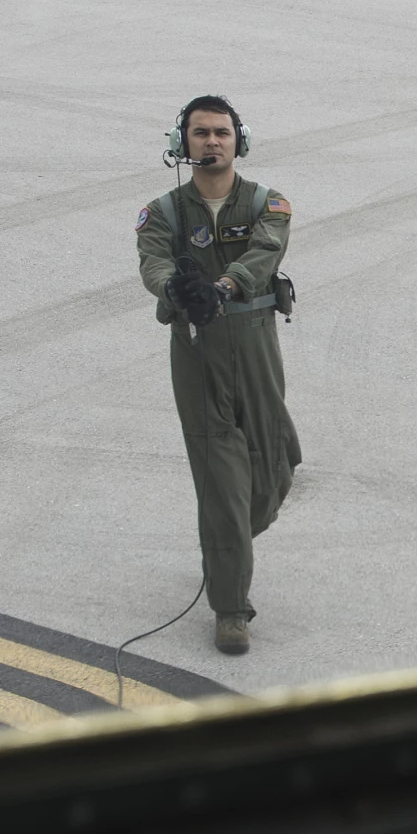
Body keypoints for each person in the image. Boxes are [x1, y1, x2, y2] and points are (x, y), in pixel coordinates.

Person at [133, 95, 301, 655]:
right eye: (200, 133)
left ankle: (225, 543)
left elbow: (265, 253)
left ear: (239, 140)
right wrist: (176, 290)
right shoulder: (162, 213)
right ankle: (231, 608)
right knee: (222, 482)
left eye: (221, 133)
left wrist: (223, 287)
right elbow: (153, 261)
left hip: (255, 348)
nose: (211, 142)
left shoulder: (266, 203)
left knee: (275, 466)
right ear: (181, 144)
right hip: (198, 352)